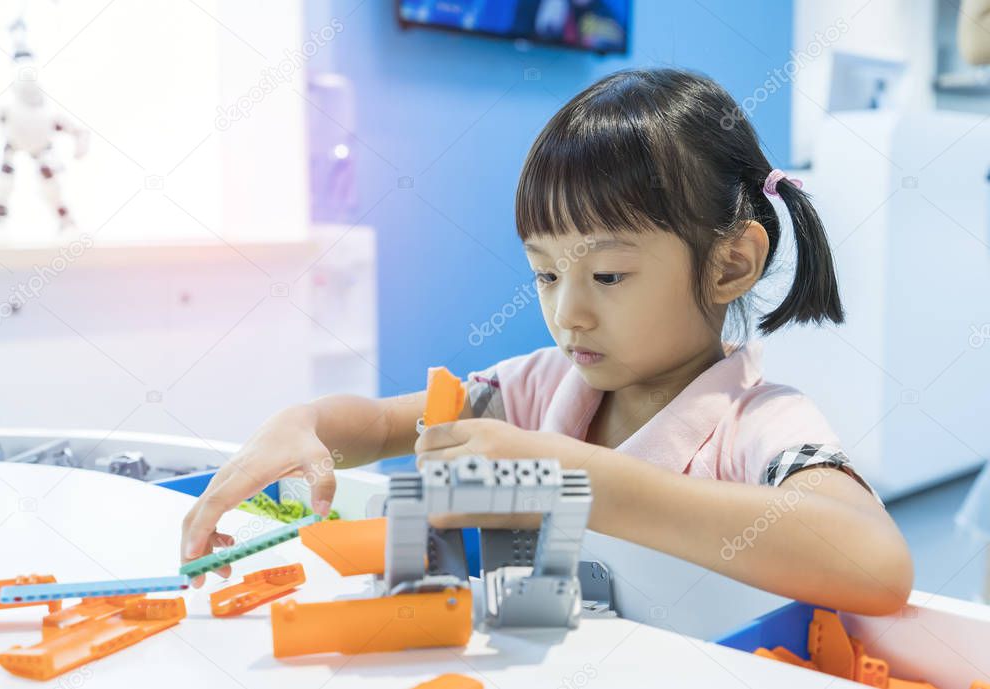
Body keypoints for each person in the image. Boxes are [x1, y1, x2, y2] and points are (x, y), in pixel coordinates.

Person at [181, 68, 913, 615]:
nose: (569, 314)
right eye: (543, 274)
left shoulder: (759, 422)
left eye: (607, 273)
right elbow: (376, 426)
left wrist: (575, 478)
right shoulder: (531, 389)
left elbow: (875, 564)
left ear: (730, 263)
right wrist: (305, 424)